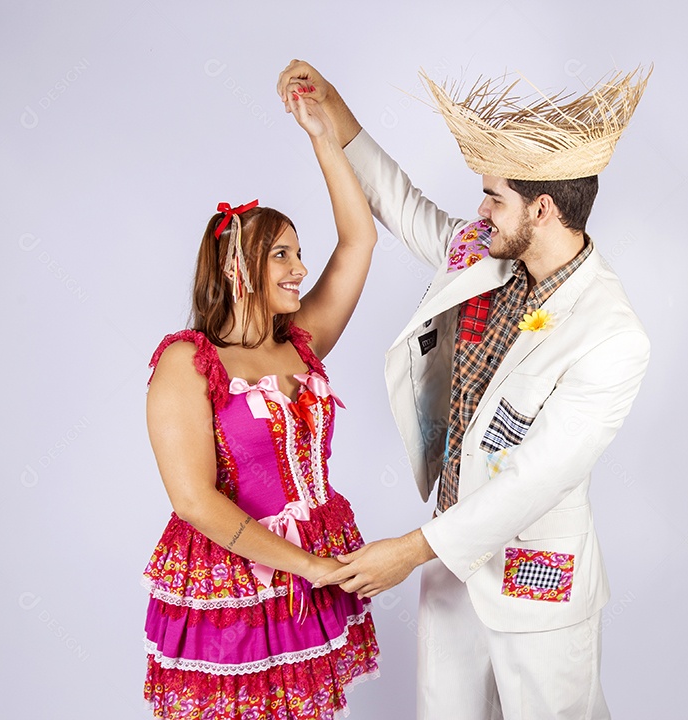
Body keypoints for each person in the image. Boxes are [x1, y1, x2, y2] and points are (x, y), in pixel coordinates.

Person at [277, 61, 652, 719]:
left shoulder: (612, 335)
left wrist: (409, 552)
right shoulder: (486, 254)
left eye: (494, 197)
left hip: (535, 576)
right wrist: (332, 114)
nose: (480, 210)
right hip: (451, 567)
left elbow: (535, 480)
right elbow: (401, 203)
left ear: (542, 207)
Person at [141, 90, 379, 719]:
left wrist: (321, 135)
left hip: (312, 571)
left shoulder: (302, 342)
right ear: (235, 268)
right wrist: (308, 567)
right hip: (236, 582)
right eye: (282, 255)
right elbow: (193, 501)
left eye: (299, 253)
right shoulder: (186, 364)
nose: (301, 269)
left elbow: (358, 241)